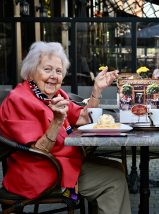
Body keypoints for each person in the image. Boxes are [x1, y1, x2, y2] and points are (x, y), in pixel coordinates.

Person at [0, 41, 131, 214]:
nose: (54, 76)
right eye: (47, 69)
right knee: (114, 180)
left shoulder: (53, 95)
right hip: (40, 173)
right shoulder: (19, 100)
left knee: (116, 167)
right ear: (30, 73)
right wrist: (57, 121)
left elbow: (84, 118)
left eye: (58, 71)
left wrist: (97, 90)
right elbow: (39, 150)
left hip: (62, 163)